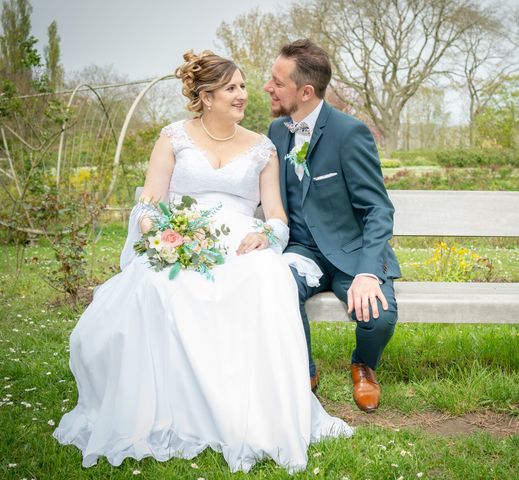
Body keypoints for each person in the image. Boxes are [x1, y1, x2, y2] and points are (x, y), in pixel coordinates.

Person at [53, 50, 352, 474]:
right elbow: (150, 205)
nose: (243, 94)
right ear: (206, 97)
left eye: (244, 86)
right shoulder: (172, 138)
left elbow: (278, 216)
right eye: (232, 88)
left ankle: (253, 409)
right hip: (180, 238)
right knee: (161, 287)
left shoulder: (263, 147)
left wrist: (265, 235)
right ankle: (173, 407)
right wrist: (168, 235)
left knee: (268, 278)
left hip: (241, 244)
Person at [264, 39, 401, 413]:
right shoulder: (276, 133)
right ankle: (304, 371)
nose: (267, 87)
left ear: (306, 92)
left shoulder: (349, 133)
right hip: (301, 251)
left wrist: (368, 273)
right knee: (275, 287)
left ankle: (363, 365)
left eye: (277, 81)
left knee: (379, 315)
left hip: (349, 253)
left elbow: (378, 210)